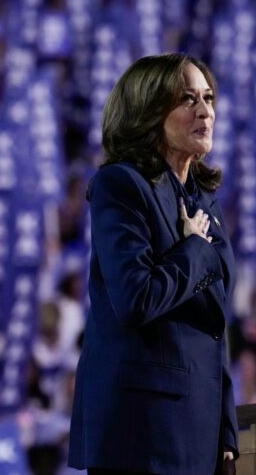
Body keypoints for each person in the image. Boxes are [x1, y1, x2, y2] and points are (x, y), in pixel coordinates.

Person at [68, 53, 239, 474]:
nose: (205, 112)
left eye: (209, 98)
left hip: (197, 432)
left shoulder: (204, 202)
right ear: (148, 112)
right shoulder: (120, 185)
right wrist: (194, 250)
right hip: (143, 433)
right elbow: (135, 297)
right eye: (187, 99)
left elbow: (212, 324)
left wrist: (225, 425)